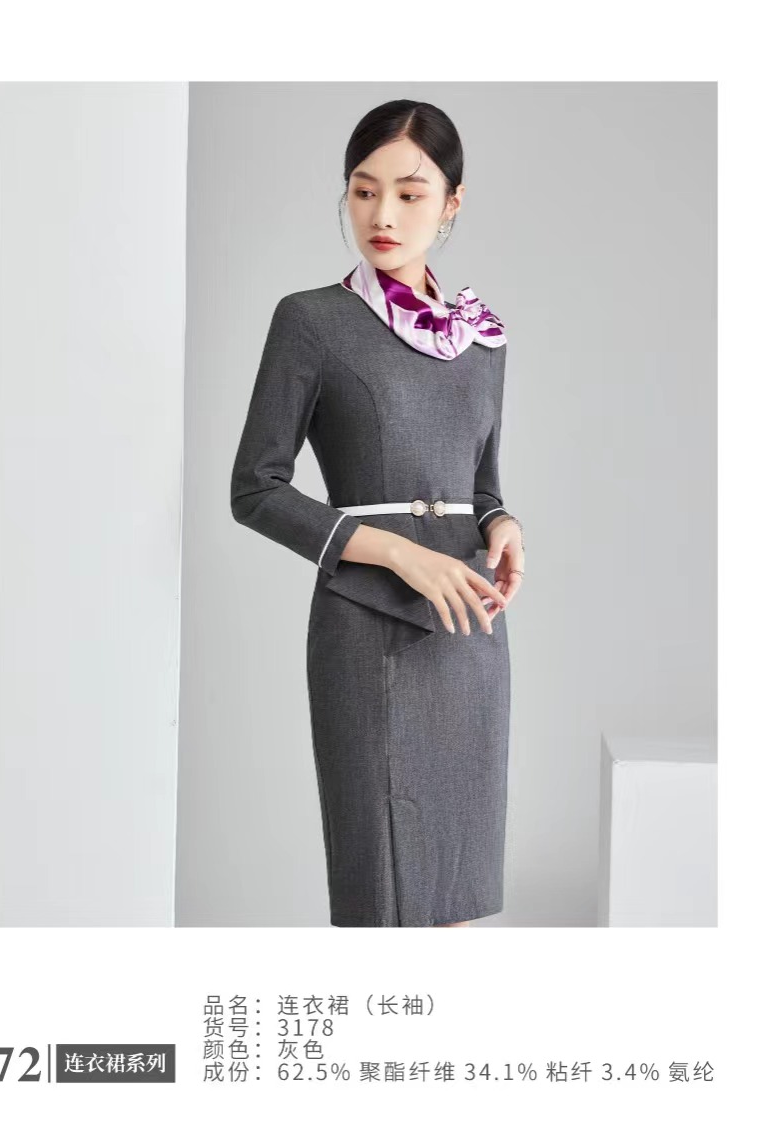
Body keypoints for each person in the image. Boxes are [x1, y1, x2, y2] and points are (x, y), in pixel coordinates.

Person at [230, 99, 525, 927]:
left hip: (467, 629)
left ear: (452, 202)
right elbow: (255, 488)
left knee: (459, 903)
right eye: (363, 191)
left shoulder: (482, 340)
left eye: (409, 193)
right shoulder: (311, 321)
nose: (382, 215)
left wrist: (502, 526)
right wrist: (398, 552)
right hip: (367, 625)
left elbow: (483, 485)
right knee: (384, 903)